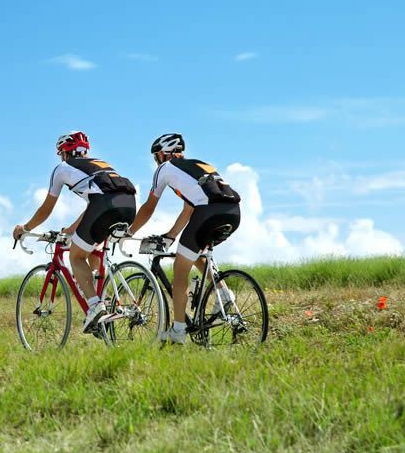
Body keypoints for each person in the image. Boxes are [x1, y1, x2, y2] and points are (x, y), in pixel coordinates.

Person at [13, 131, 137, 334]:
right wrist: (71, 230)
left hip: (103, 206)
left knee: (76, 257)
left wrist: (25, 228)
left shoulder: (62, 169)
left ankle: (96, 306)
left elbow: (46, 209)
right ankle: (105, 306)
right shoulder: (99, 164)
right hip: (129, 205)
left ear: (64, 152)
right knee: (92, 249)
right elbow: (92, 204)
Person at [128, 133, 241, 344]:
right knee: (195, 253)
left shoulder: (165, 169)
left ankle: (178, 331)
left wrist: (129, 232)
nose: (156, 162)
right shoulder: (198, 165)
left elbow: (149, 207)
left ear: (163, 154)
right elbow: (189, 208)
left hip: (208, 214)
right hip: (233, 213)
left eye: (156, 157)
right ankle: (224, 295)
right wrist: (171, 235)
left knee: (180, 272)